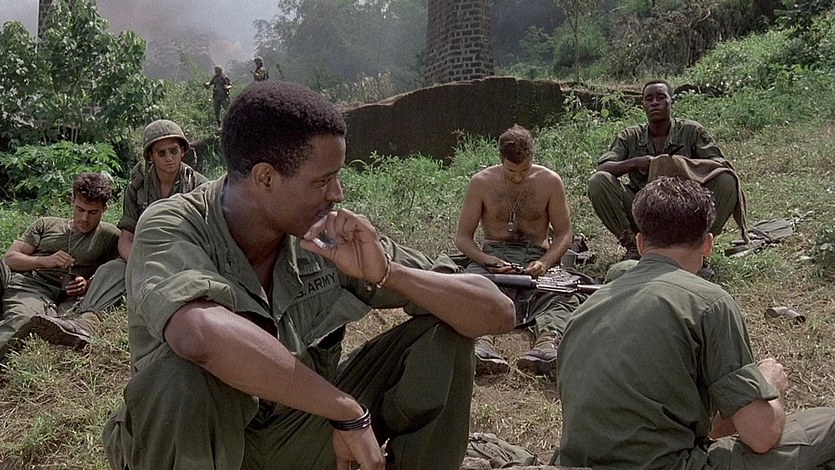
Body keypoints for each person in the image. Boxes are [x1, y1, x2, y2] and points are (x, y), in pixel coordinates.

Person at [101, 80, 516, 470]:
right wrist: (344, 409)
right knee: (180, 377)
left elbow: (498, 312)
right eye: (323, 181)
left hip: (299, 432)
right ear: (265, 178)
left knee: (444, 330)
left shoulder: (324, 234)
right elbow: (199, 335)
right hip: (202, 444)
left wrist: (389, 273)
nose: (337, 194)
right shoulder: (173, 223)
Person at [557, 177, 835, 469]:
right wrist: (768, 385)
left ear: (640, 242)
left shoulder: (584, 310)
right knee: (828, 423)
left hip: (575, 465)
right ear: (708, 244)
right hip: (667, 465)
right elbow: (761, 436)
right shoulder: (709, 302)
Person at [28, 120, 208, 348]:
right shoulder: (137, 188)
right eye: (161, 153)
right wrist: (140, 264)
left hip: (185, 254)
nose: (169, 158)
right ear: (150, 156)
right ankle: (85, 323)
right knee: (111, 269)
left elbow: (209, 235)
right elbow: (126, 238)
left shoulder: (199, 187)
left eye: (174, 151)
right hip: (146, 254)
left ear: (183, 151)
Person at [455, 124, 581, 377]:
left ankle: (547, 345)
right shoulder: (481, 182)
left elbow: (564, 233)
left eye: (524, 170)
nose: (517, 177)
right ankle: (482, 344)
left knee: (563, 295)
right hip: (494, 256)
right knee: (473, 290)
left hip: (536, 256)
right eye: (511, 171)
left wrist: (545, 262)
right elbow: (463, 238)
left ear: (532, 158)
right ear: (500, 160)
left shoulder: (550, 181)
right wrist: (487, 260)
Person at [587, 79, 742, 261]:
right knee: (598, 181)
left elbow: (719, 163)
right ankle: (634, 247)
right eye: (649, 98)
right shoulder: (630, 136)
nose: (655, 102)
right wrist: (635, 163)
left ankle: (697, 248)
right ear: (643, 104)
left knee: (727, 180)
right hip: (643, 208)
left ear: (671, 101)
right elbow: (603, 167)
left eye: (661, 97)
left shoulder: (691, 131)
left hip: (687, 207)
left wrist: (682, 166)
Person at [0, 173, 119, 360]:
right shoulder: (46, 224)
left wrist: (88, 283)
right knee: (22, 316)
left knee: (24, 318)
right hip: (29, 284)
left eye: (93, 212)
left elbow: (117, 270)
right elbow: (10, 258)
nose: (84, 218)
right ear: (72, 202)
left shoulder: (109, 236)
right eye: (80, 209)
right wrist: (44, 261)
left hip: (59, 297)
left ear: (104, 208)